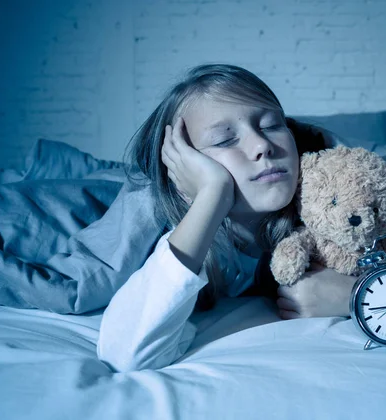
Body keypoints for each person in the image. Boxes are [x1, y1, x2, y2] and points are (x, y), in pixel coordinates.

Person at [97, 64, 358, 372]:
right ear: (183, 168)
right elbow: (126, 353)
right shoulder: (164, 219)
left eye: (272, 125)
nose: (262, 145)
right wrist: (211, 195)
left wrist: (355, 295)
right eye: (224, 140)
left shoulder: (334, 190)